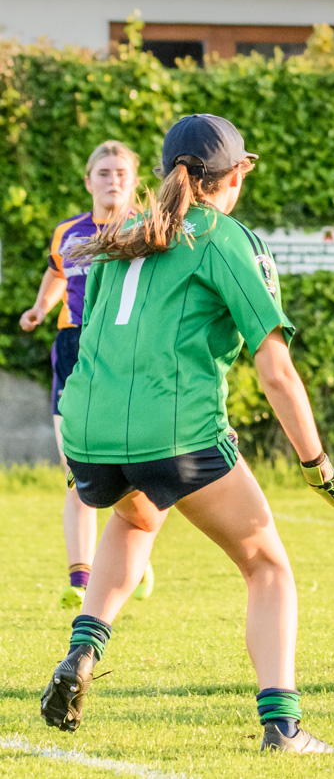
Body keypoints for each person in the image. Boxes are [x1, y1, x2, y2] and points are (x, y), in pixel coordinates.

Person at [38, 114, 334, 752]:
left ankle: (82, 651)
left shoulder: (123, 230)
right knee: (267, 565)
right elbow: (277, 373)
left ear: (164, 173)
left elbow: (97, 334)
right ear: (235, 175)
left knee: (134, 520)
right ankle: (283, 725)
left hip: (88, 430)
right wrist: (320, 468)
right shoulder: (225, 237)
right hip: (175, 431)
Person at [19, 140, 154, 608]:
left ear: (135, 181)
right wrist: (40, 308)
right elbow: (58, 272)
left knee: (133, 462)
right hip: (74, 347)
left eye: (121, 172)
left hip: (126, 349)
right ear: (88, 181)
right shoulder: (69, 233)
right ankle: (81, 578)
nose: (112, 179)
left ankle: (131, 542)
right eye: (103, 172)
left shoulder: (148, 231)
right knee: (75, 467)